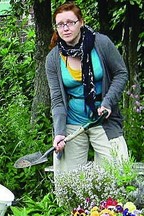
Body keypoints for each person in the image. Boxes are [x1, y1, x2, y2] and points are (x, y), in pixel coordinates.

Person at [45, 1, 129, 172]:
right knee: (68, 182)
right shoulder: (53, 59)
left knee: (118, 172)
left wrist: (108, 102)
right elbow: (58, 100)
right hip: (73, 123)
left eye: (70, 22)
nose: (65, 28)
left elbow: (121, 73)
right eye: (60, 24)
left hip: (103, 119)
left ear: (81, 22)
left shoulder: (101, 43)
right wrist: (60, 132)